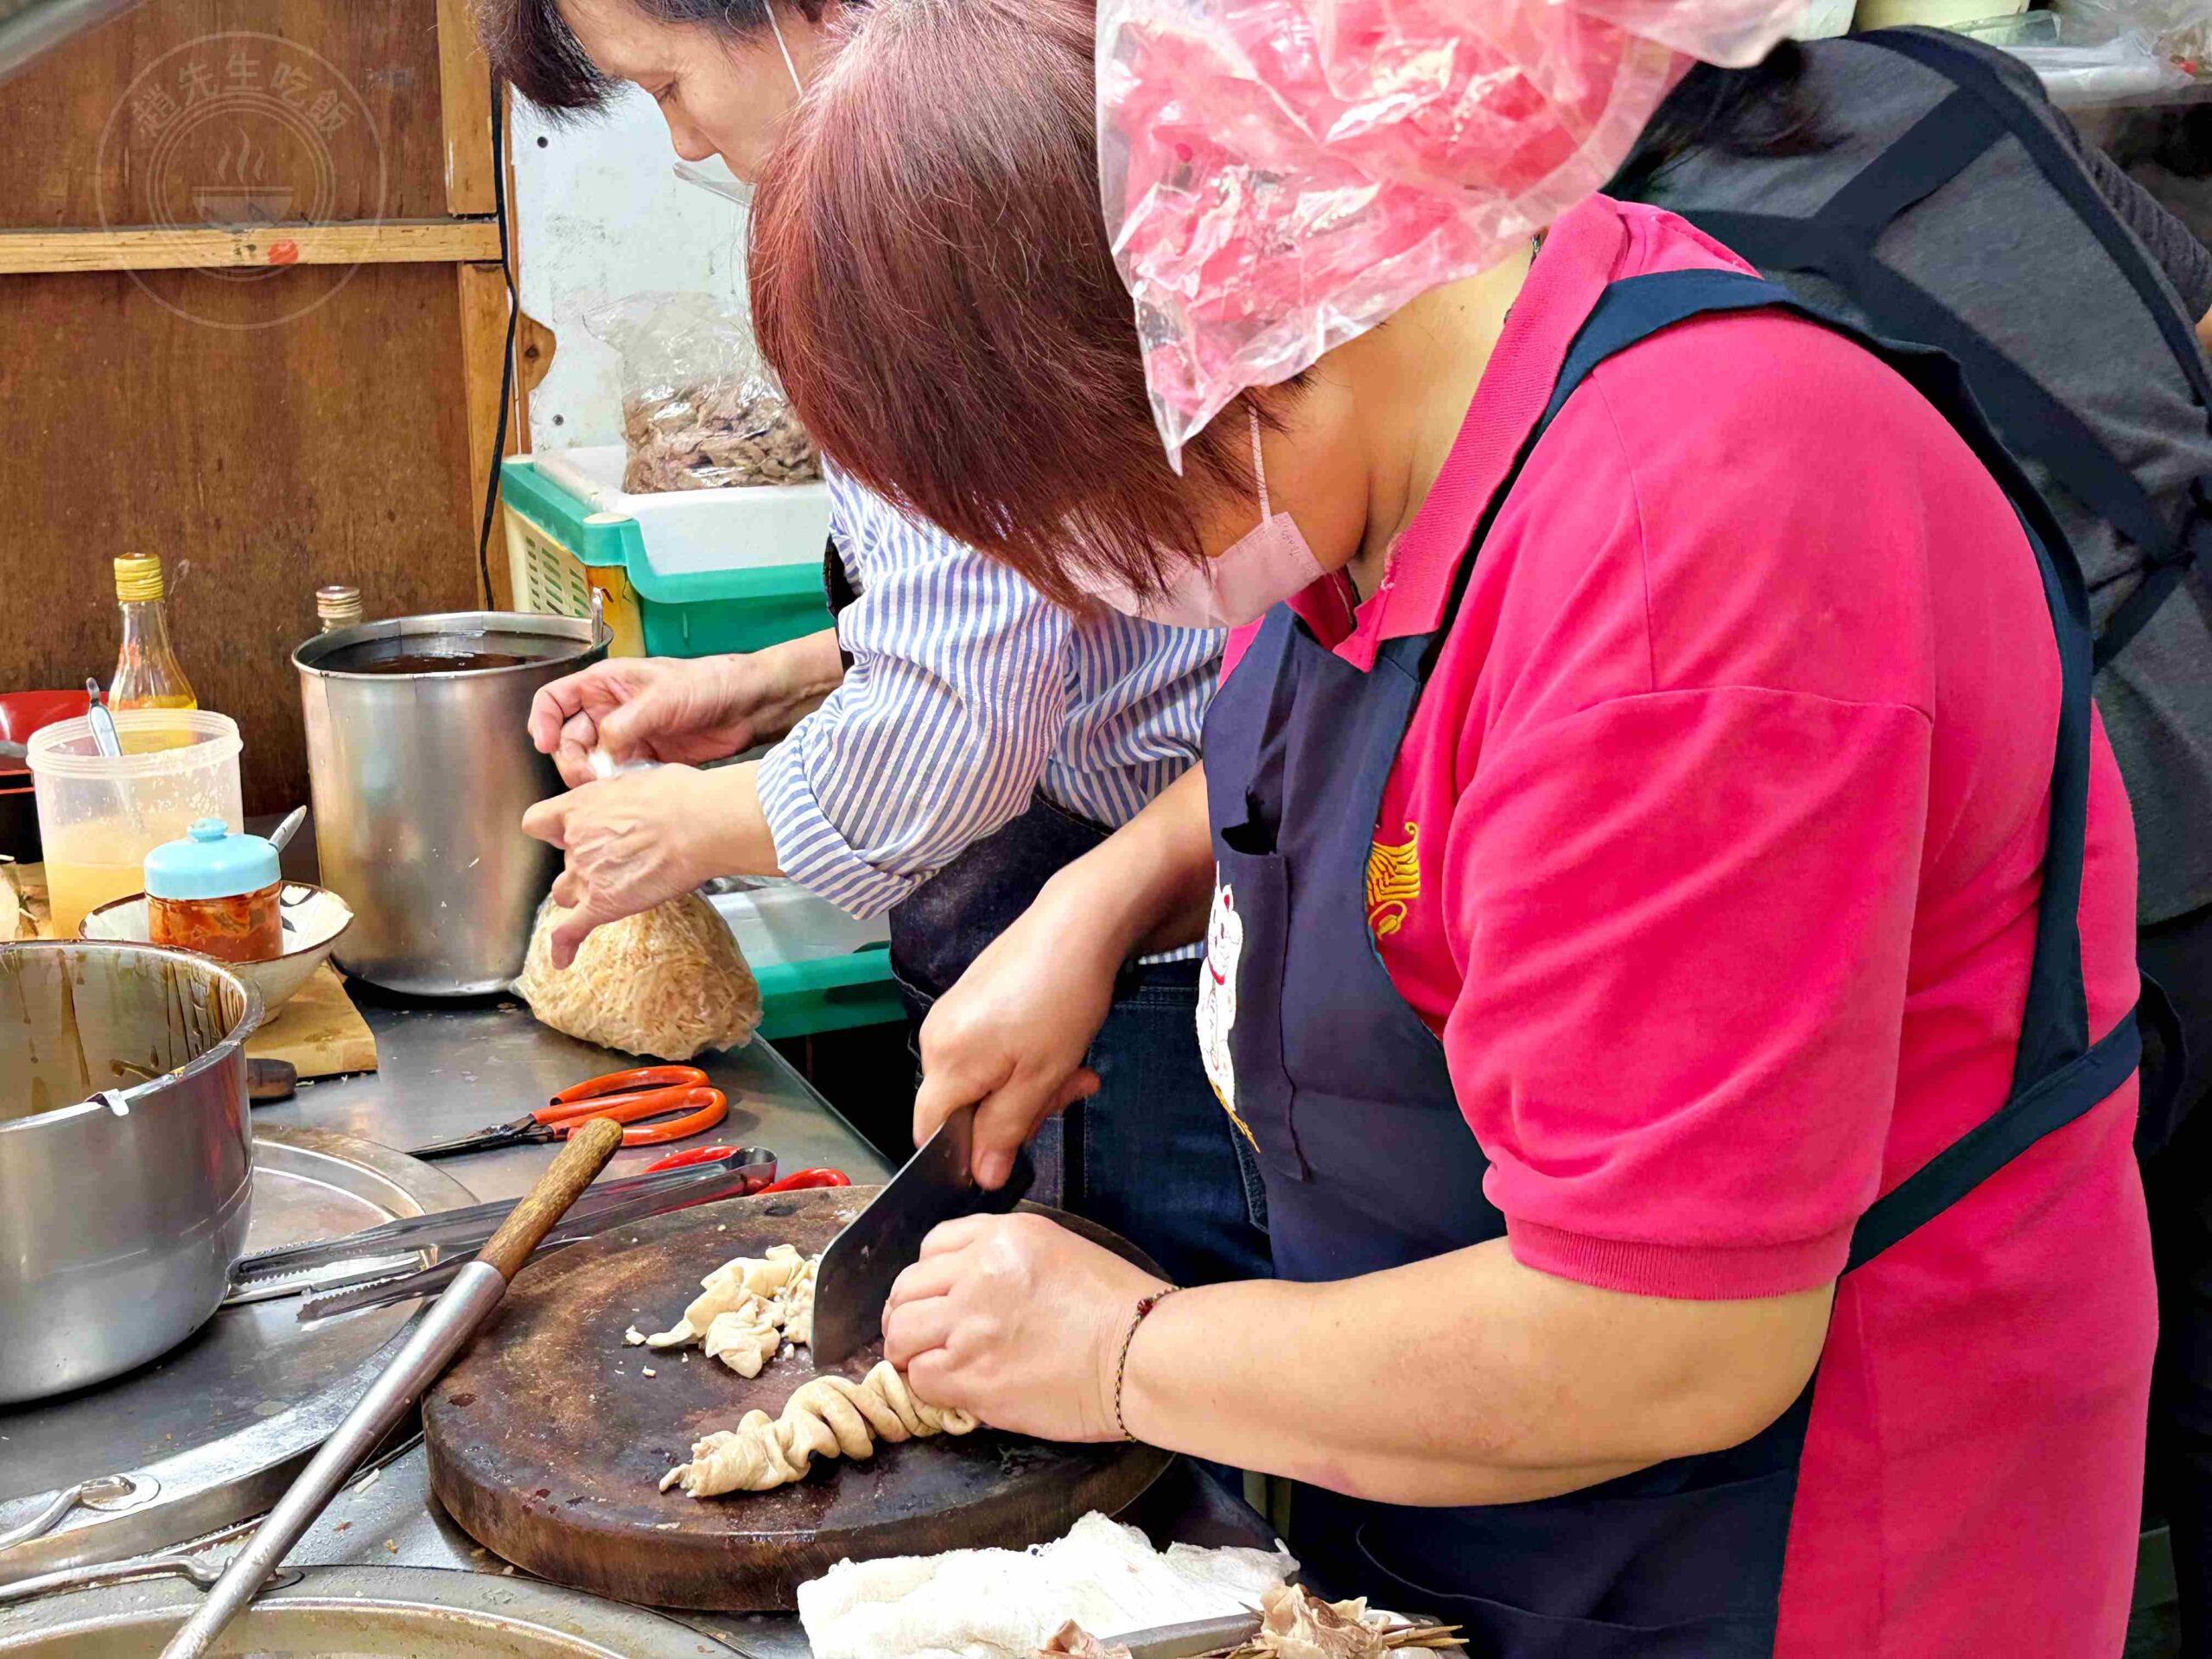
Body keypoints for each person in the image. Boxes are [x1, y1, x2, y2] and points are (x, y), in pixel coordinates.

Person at [742, 0, 2157, 1652]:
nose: (1068, 577)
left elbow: (1664, 1337)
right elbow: (1411, 765)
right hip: (1486, 1479)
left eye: (1058, 515)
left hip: (1792, 1548)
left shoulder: (1690, 551)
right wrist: (1105, 899)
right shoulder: (1397, 425)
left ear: (1207, 334)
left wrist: (1122, 1352)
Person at [480, 0, 1269, 1289]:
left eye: (668, 85)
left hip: (1169, 967)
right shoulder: (987, 136)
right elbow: (1054, 596)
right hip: (1125, 893)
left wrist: (688, 826)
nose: (684, 144)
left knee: (1145, 1361)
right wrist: (768, 682)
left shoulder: (914, 219)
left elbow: (953, 726)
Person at [1609, 36, 2212, 1648]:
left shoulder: (1664, 288)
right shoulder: (1950, 78)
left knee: (2070, 1430)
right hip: (2189, 722)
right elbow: (2192, 328)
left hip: (2098, 877)